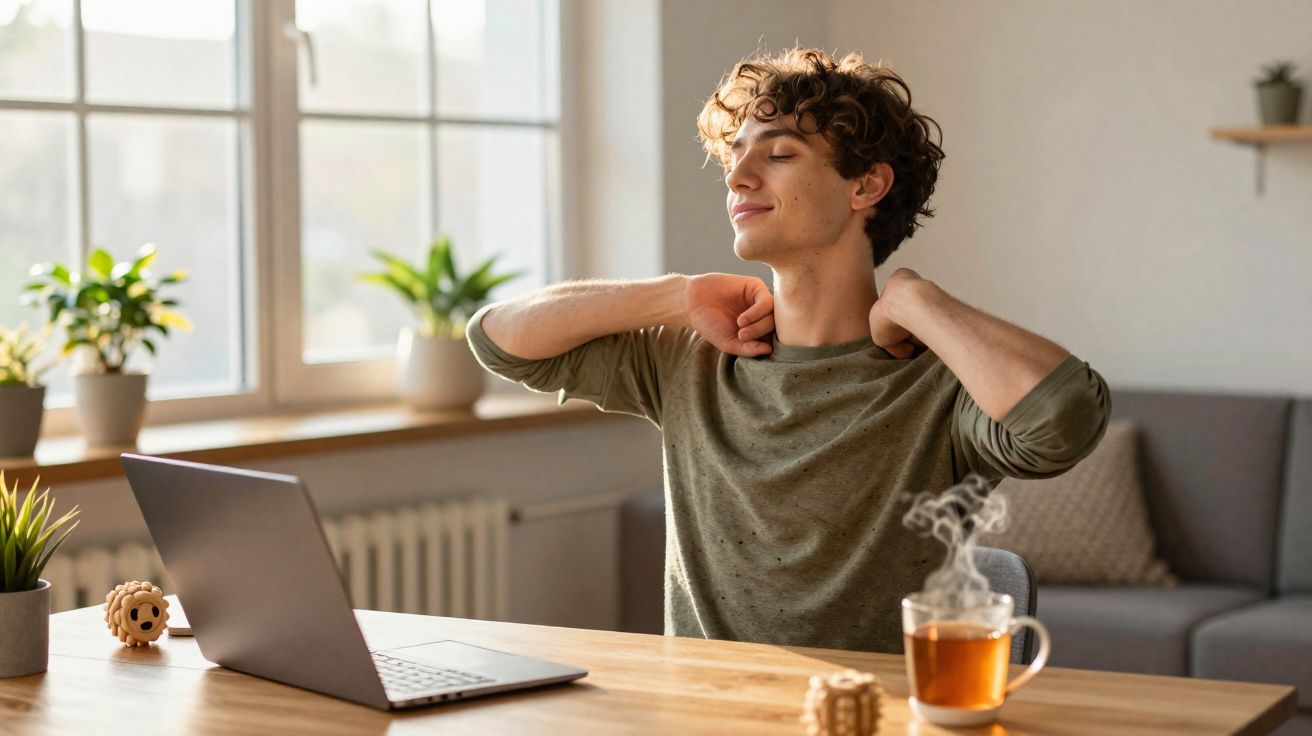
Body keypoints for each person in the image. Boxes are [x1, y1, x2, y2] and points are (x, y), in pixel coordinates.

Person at [465, 47, 1110, 654]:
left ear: (866, 187)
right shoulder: (693, 358)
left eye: (777, 154)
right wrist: (675, 295)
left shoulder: (937, 384)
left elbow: (1064, 422)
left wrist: (920, 302)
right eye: (735, 158)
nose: (738, 177)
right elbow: (500, 341)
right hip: (706, 718)